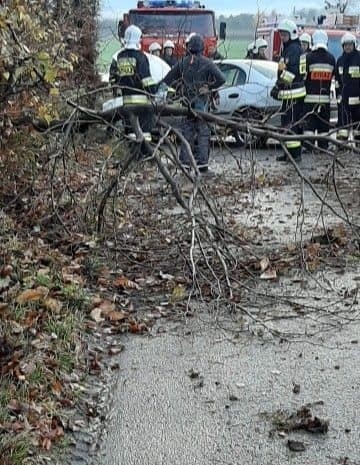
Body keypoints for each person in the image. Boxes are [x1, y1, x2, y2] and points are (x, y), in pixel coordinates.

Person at [161, 34, 226, 174]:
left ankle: (185, 165)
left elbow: (167, 80)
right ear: (202, 48)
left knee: (186, 135)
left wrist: (179, 89)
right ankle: (202, 166)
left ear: (189, 48)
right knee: (203, 135)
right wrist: (209, 87)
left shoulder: (182, 62)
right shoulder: (208, 63)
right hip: (202, 106)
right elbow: (222, 79)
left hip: (186, 106)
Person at [109, 25, 157, 151]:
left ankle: (131, 156)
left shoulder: (120, 56)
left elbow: (116, 79)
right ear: (137, 39)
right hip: (141, 102)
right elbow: (146, 80)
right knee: (144, 133)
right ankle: (144, 157)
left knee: (130, 131)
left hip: (125, 102)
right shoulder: (140, 57)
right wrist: (154, 92)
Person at [271, 19, 306, 162]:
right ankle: (288, 153)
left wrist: (278, 86)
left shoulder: (293, 50)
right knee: (286, 124)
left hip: (293, 92)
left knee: (291, 125)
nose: (282, 37)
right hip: (290, 92)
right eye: (281, 34)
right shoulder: (290, 48)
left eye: (284, 35)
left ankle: (295, 155)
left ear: (291, 34)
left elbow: (290, 73)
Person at [303, 30, 335, 151]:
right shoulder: (331, 59)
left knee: (309, 126)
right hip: (325, 100)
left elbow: (304, 78)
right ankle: (323, 146)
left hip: (309, 99)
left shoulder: (308, 58)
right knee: (323, 126)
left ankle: (308, 147)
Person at [335, 32, 360, 143]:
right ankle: (341, 145)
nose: (348, 47)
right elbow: (337, 80)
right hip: (343, 99)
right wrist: (338, 95)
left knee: (358, 126)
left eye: (350, 44)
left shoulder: (359, 58)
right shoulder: (340, 60)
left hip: (357, 99)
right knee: (342, 126)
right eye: (345, 45)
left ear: (354, 45)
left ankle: (358, 145)